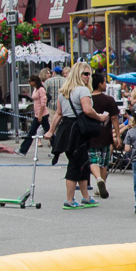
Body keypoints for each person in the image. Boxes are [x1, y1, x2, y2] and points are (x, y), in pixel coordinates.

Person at [43, 62, 110, 209]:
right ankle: (69, 199)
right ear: (77, 75)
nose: (88, 77)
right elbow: (87, 110)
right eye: (85, 74)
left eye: (89, 74)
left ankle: (86, 197)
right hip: (78, 129)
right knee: (75, 164)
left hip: (66, 129)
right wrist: (100, 117)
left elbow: (59, 114)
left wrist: (51, 130)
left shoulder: (64, 91)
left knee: (82, 162)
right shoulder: (83, 91)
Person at [88, 73, 122, 198]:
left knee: (93, 160)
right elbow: (114, 118)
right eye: (104, 82)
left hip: (91, 135)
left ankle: (98, 179)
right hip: (106, 135)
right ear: (100, 84)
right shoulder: (108, 99)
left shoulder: (88, 100)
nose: (105, 85)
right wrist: (118, 136)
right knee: (104, 162)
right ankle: (102, 184)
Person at [17, 75, 50, 156]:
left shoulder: (41, 89)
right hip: (37, 114)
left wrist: (40, 115)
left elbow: (43, 103)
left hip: (42, 114)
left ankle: (57, 148)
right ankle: (23, 150)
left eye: (30, 81)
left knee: (48, 132)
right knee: (32, 132)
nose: (29, 83)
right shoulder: (35, 89)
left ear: (34, 81)